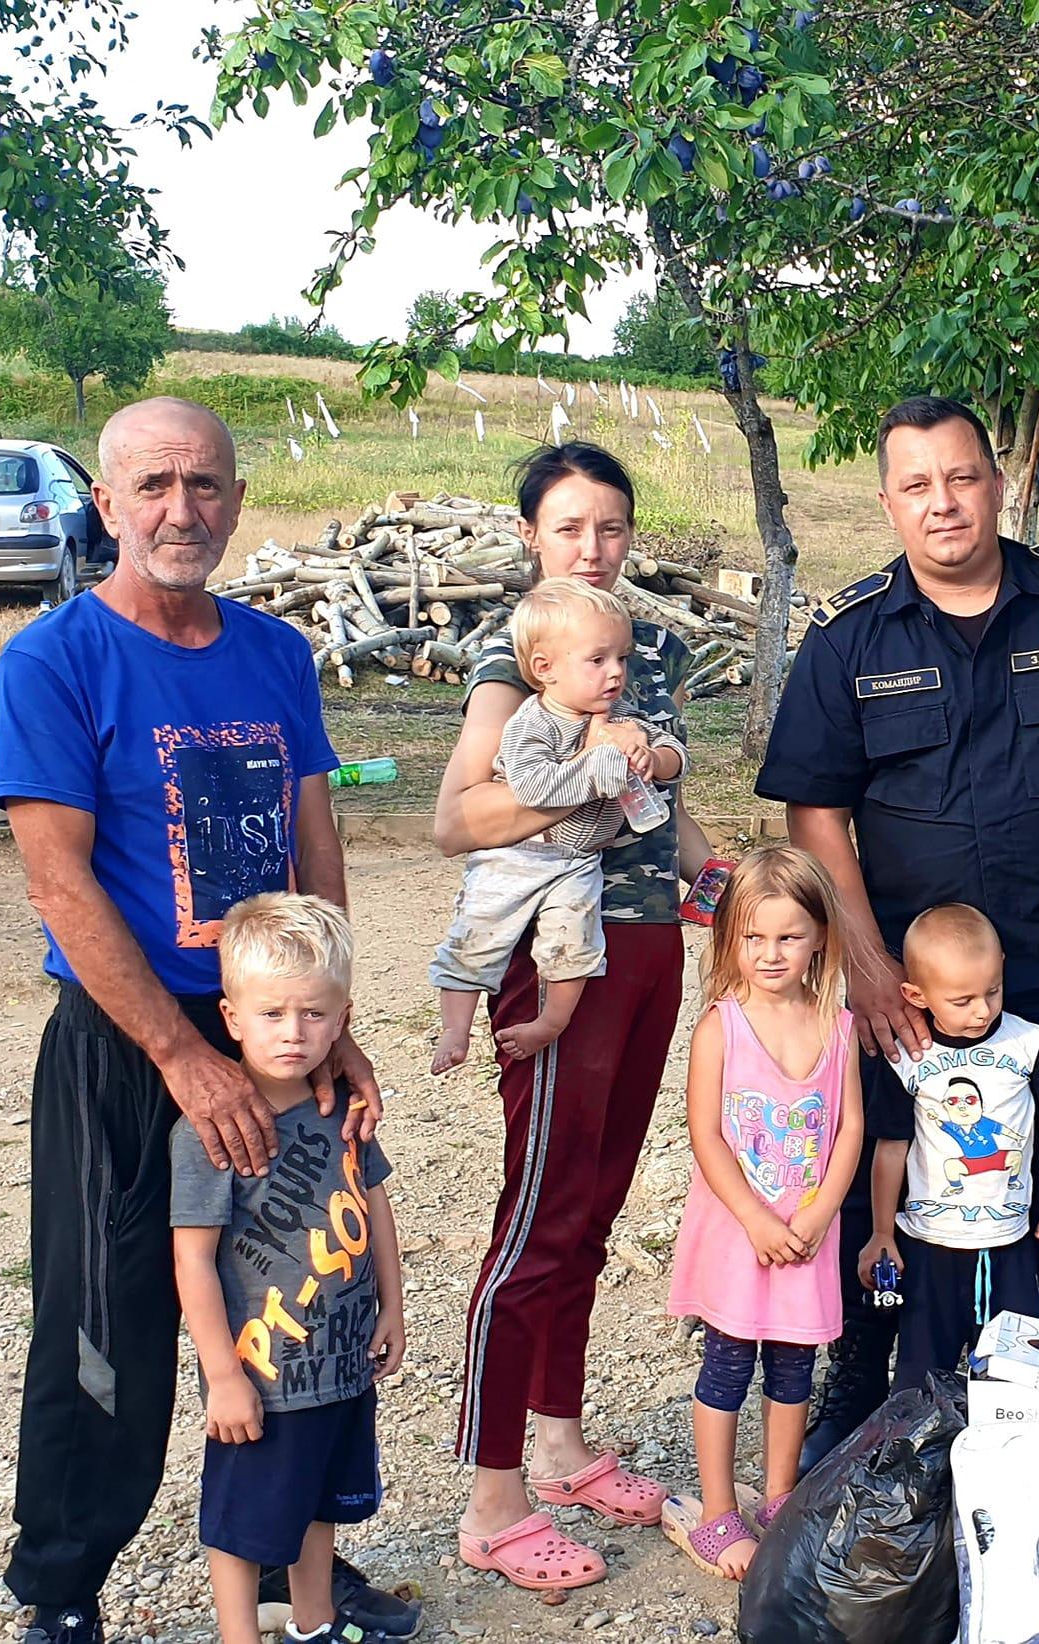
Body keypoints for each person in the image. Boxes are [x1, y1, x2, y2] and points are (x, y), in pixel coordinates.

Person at [0, 398, 411, 1644]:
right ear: (106, 505)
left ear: (233, 498)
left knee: (298, 1298)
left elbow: (314, 838)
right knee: (106, 1323)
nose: (184, 509)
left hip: (270, 1025)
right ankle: (60, 1591)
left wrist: (328, 1027)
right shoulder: (53, 660)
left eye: (207, 485)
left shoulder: (273, 655)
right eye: (155, 485)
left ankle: (286, 1562)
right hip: (127, 1043)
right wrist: (179, 1054)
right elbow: (57, 879)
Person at [755, 395, 1039, 1467]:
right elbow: (815, 808)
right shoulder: (850, 639)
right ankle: (868, 1381)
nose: (942, 503)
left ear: (997, 484)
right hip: (903, 988)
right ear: (887, 503)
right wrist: (859, 961)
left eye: (960, 477)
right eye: (916, 485)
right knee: (890, 1176)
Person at [435, 443, 713, 1590]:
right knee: (539, 1217)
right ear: (530, 539)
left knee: (592, 1208)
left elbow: (673, 820)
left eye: (609, 527)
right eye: (567, 528)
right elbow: (458, 820)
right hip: (561, 965)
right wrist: (586, 771)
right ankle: (492, 1498)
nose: (591, 546)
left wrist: (727, 893)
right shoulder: (521, 662)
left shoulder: (646, 654)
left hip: (647, 950)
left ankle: (559, 1446)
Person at [169, 894, 404, 1644]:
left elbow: (375, 1208)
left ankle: (316, 1623)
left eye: (313, 1014)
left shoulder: (344, 1109)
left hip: (340, 1360)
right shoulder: (207, 1132)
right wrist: (223, 1375)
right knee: (244, 1522)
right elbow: (193, 1260)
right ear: (232, 1017)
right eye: (271, 1014)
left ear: (343, 1018)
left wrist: (393, 1308)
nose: (294, 1033)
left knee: (320, 1506)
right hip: (262, 1371)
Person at [662, 845, 863, 1580]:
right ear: (730, 939)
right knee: (726, 1367)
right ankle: (717, 1511)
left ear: (819, 939)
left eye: (788, 936)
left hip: (807, 1237)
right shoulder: (721, 1027)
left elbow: (849, 1130)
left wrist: (817, 1216)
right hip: (737, 1238)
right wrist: (754, 1219)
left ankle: (780, 1498)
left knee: (794, 1369)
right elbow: (706, 1134)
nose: (770, 953)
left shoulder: (838, 1026)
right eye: (753, 937)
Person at [430, 579, 687, 1072]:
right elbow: (531, 788)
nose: (615, 673)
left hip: (578, 860)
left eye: (622, 658)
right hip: (519, 855)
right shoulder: (533, 721)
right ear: (545, 669)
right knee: (479, 931)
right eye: (598, 660)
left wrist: (654, 757)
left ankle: (553, 1021)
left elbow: (678, 758)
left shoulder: (622, 719)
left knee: (575, 942)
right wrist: (596, 767)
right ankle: (454, 1029)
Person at [857, 904, 1039, 1390]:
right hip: (930, 1241)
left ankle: (1009, 1453)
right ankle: (917, 1458)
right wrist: (881, 1231)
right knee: (919, 1372)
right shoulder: (908, 1056)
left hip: (1010, 1240)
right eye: (962, 999)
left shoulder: (1027, 1042)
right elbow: (891, 1146)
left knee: (1017, 1370)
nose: (981, 1010)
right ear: (917, 994)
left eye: (992, 991)